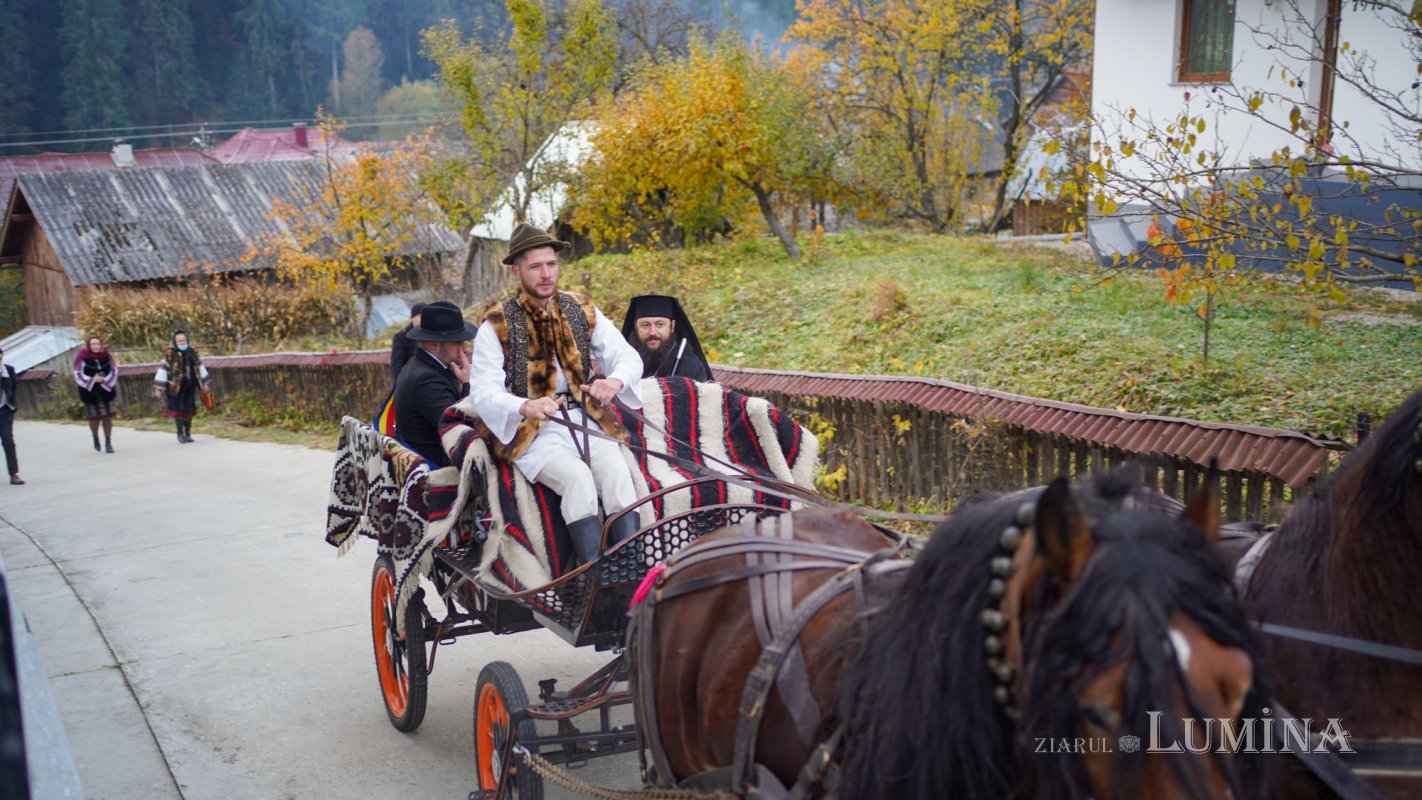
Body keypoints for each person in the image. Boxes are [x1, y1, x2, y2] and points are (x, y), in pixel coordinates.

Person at [471, 223, 645, 564]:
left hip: (587, 420)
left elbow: (626, 356)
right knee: (578, 480)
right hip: (533, 431)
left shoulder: (581, 307)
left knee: (617, 476)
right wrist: (524, 405)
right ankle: (596, 578)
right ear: (516, 270)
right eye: (535, 266)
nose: (546, 274)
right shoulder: (495, 323)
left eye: (551, 264)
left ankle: (632, 572)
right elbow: (483, 391)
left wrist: (615, 382)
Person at [393, 301, 473, 467]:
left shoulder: (426, 365)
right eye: (457, 343)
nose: (465, 349)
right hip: (435, 467)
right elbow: (458, 429)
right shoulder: (425, 380)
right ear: (433, 345)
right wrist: (468, 384)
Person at [620, 294, 712, 381]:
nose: (652, 332)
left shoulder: (690, 365)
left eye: (660, 324)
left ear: (672, 326)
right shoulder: (625, 361)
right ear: (636, 327)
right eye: (645, 325)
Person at [152, 331, 210, 444]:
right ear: (175, 342)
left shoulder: (192, 352)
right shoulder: (170, 354)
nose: (182, 343)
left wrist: (205, 383)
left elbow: (200, 367)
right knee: (178, 411)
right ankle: (180, 434)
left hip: (190, 385)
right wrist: (159, 388)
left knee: (189, 410)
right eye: (179, 341)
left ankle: (188, 433)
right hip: (175, 388)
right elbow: (163, 370)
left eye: (184, 340)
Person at [74, 335, 119, 453]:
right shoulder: (82, 357)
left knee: (107, 418)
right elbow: (78, 373)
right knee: (94, 418)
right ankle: (95, 437)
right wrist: (92, 380)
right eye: (93, 344)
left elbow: (113, 370)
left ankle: (108, 442)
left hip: (105, 391)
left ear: (101, 345)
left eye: (97, 344)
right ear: (89, 345)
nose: (95, 346)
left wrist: (104, 380)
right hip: (90, 392)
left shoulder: (106, 356)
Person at [0, 348, 21, 485]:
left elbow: (13, 388)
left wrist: (11, 404)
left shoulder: (9, 370)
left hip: (5, 410)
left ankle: (14, 474)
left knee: (8, 441)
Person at [390, 302, 427, 381]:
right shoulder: (402, 337)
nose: (424, 319)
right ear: (413, 318)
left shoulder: (431, 335)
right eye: (420, 317)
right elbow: (397, 364)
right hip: (409, 379)